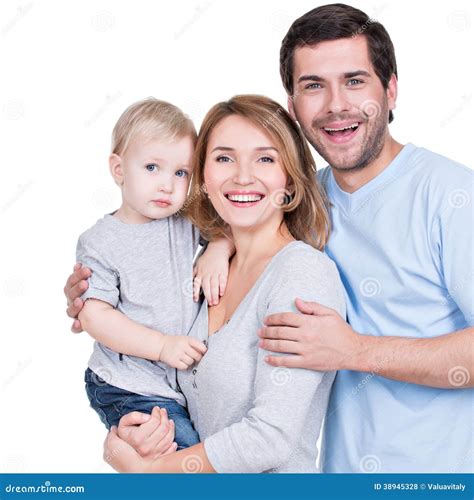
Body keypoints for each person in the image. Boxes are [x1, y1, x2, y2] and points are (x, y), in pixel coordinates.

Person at [257, 4, 473, 472]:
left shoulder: (453, 196)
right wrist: (104, 289)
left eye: (355, 81)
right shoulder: (300, 201)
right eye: (314, 85)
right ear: (293, 107)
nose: (336, 105)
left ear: (390, 90)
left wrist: (352, 349)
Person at [100, 94, 346, 472]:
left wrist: (144, 472)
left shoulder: (301, 275)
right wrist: (130, 434)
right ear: (204, 177)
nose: (242, 176)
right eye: (224, 158)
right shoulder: (199, 270)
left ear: (290, 179)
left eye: (265, 158)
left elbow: (270, 438)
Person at [74, 97, 233, 450]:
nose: (167, 184)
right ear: (118, 170)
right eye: (151, 168)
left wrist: (218, 249)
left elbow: (228, 227)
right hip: (126, 383)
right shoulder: (100, 241)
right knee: (185, 455)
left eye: (180, 173)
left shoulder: (185, 221)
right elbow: (94, 316)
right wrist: (161, 346)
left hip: (171, 385)